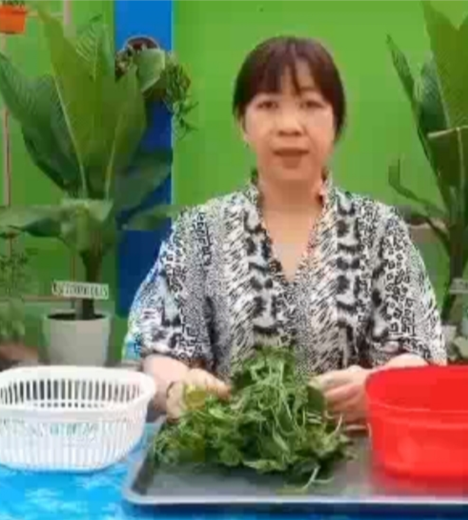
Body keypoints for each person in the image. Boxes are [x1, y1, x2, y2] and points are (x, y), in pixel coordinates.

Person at [122, 35, 446, 424]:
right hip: (229, 449)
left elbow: (419, 351)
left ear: (336, 122)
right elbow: (157, 348)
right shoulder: (200, 231)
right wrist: (177, 386)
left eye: (310, 105)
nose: (290, 126)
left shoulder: (379, 230)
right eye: (268, 105)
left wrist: (379, 386)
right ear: (242, 123)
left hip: (351, 450)